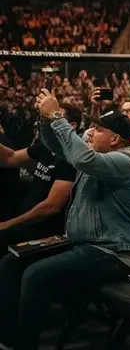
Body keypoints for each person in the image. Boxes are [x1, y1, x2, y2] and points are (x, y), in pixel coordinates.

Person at [0, 93, 130, 350]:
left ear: (115, 139)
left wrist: (58, 116)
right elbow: (55, 146)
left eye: (97, 129)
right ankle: (9, 338)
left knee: (36, 275)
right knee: (12, 262)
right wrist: (46, 120)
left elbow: (83, 159)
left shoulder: (129, 161)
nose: (89, 132)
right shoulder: (97, 152)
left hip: (115, 251)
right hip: (83, 243)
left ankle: (25, 345)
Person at [0, 104, 78, 252]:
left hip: (46, 230)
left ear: (71, 126)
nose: (46, 122)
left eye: (53, 117)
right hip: (25, 221)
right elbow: (9, 158)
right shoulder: (44, 147)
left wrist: (7, 224)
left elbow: (51, 207)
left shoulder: (72, 158)